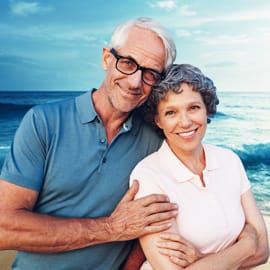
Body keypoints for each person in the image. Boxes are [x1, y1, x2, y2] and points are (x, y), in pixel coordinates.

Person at [0, 17, 182, 270]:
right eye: (127, 63)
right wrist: (111, 228)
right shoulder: (43, 122)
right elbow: (4, 228)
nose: (135, 82)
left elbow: (154, 219)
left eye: (150, 74)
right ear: (107, 58)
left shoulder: (156, 138)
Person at [130, 64, 269, 269]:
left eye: (193, 108)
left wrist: (201, 262)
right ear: (158, 120)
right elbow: (255, 247)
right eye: (171, 112)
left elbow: (264, 252)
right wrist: (246, 245)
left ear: (207, 110)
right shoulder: (148, 177)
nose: (185, 122)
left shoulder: (229, 161)